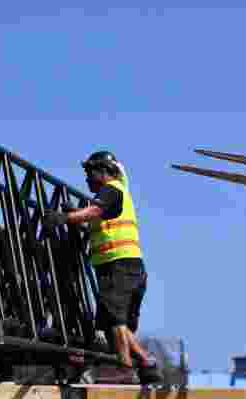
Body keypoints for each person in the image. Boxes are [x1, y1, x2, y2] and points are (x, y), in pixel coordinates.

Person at [43, 150, 162, 385]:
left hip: (119, 265)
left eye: (90, 172)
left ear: (104, 171)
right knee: (112, 321)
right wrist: (76, 218)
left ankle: (125, 368)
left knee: (115, 319)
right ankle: (147, 364)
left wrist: (65, 218)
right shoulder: (117, 195)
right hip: (128, 267)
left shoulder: (111, 190)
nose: (87, 179)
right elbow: (98, 223)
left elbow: (95, 211)